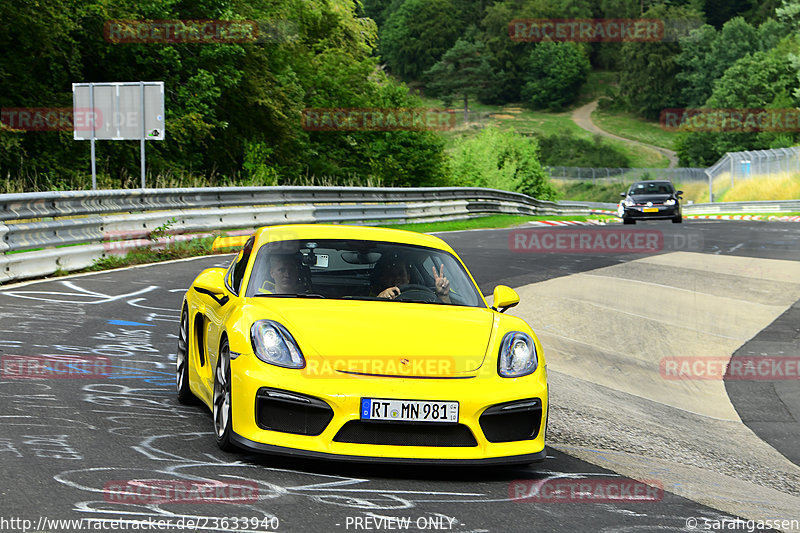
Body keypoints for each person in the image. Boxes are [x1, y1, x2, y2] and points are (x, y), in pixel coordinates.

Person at [373, 253, 450, 303]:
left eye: (401, 273)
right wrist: (380, 299)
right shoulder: (370, 295)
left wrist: (443, 296)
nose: (397, 277)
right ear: (382, 278)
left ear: (408, 277)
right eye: (391, 274)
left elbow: (448, 315)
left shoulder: (426, 298)